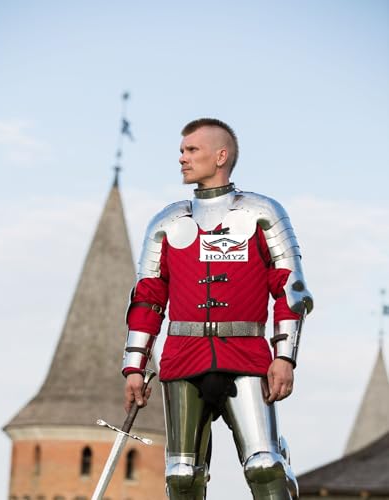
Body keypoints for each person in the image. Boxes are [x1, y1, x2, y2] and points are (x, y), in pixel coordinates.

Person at [122, 118, 313, 499]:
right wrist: (134, 366)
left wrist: (285, 357)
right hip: (182, 357)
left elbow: (291, 289)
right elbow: (147, 297)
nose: (182, 158)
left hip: (246, 355)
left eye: (191, 150)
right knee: (181, 475)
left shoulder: (264, 213)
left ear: (221, 156)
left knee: (264, 466)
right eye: (182, 150)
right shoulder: (165, 222)